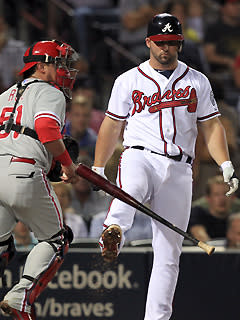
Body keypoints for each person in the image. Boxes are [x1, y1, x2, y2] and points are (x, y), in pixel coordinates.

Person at [92, 13, 239, 320]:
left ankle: (156, 319)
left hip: (180, 168)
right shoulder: (128, 80)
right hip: (140, 154)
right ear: (148, 42)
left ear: (180, 44)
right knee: (131, 187)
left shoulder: (197, 81)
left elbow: (211, 126)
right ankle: (114, 228)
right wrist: (98, 165)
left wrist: (225, 162)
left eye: (171, 42)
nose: (165, 48)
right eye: (160, 42)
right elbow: (111, 125)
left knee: (170, 254)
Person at [0, 39, 80, 319]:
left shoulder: (6, 94)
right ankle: (21, 297)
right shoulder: (50, 92)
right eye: (60, 63)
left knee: (0, 243)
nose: (65, 69)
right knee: (57, 238)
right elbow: (46, 128)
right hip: (23, 170)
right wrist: (67, 165)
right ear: (43, 65)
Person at [188, 175, 234, 242]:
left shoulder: (236, 218)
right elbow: (200, 236)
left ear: (233, 197)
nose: (222, 199)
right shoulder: (197, 214)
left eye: (226, 194)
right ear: (208, 198)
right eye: (216, 194)